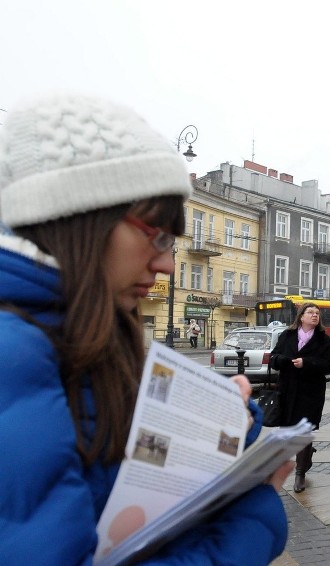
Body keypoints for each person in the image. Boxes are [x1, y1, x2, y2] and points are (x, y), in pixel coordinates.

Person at [0, 92, 294, 564]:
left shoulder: (89, 334)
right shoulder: (13, 353)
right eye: (156, 236)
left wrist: (222, 422)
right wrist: (252, 518)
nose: (166, 264)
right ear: (83, 219)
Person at [268, 301, 330, 493]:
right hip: (288, 390)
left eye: (317, 313)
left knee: (305, 432)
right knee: (289, 433)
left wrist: (306, 362)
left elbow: (329, 365)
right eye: (310, 312)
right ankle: (306, 454)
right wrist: (285, 361)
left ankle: (300, 474)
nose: (314, 315)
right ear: (301, 316)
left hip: (311, 392)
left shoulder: (324, 339)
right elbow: (274, 358)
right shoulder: (287, 335)